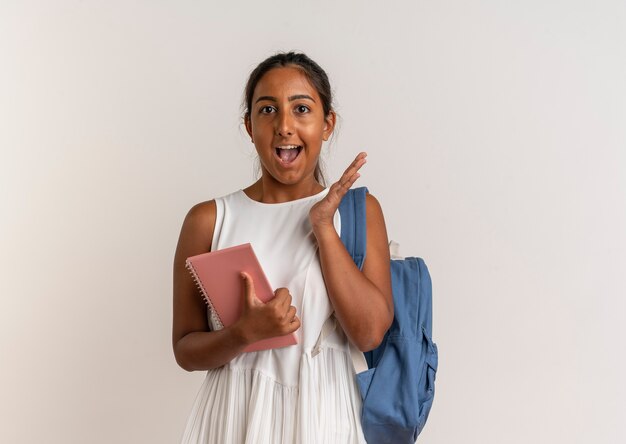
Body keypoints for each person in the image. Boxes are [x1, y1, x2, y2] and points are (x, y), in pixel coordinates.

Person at [172, 51, 394, 444]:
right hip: (232, 420)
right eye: (268, 110)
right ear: (249, 125)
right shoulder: (208, 220)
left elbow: (370, 333)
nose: (284, 126)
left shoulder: (358, 213)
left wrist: (323, 226)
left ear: (327, 125)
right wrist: (242, 334)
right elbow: (186, 349)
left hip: (324, 418)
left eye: (301, 109)